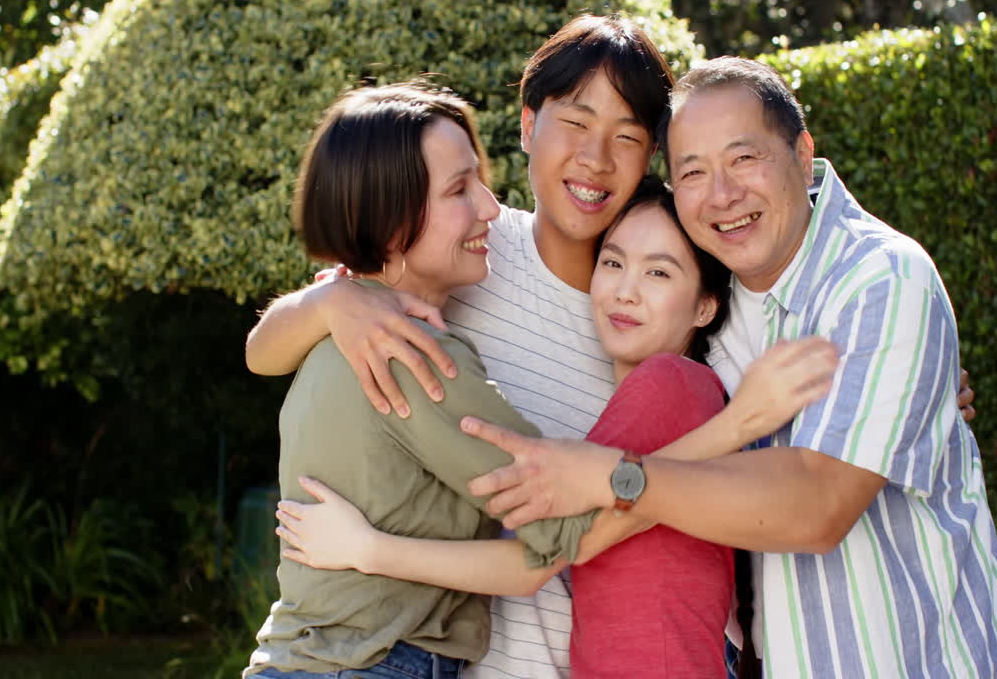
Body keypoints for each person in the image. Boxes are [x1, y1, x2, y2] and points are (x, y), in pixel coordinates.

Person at [246, 15, 978, 679]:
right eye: (576, 123)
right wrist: (334, 300)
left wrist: (907, 395)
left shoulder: (678, 324)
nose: (596, 159)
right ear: (529, 125)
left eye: (628, 137)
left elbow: (782, 448)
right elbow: (267, 347)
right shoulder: (463, 255)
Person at [460, 57, 997, 677]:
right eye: (693, 171)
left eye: (744, 159)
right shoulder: (726, 313)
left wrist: (615, 477)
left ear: (802, 154)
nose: (721, 194)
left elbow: (818, 506)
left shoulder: (879, 278)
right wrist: (350, 293)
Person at [273, 178, 839, 678]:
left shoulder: (668, 383)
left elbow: (557, 548)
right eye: (613, 263)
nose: (624, 290)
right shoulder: (640, 405)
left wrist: (368, 550)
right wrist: (331, 297)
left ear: (704, 308)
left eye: (659, 273)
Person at [242, 82, 604, 679]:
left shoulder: (334, 329)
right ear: (390, 226)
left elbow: (260, 351)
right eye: (460, 189)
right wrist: (690, 461)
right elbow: (559, 531)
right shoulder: (414, 356)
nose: (490, 207)